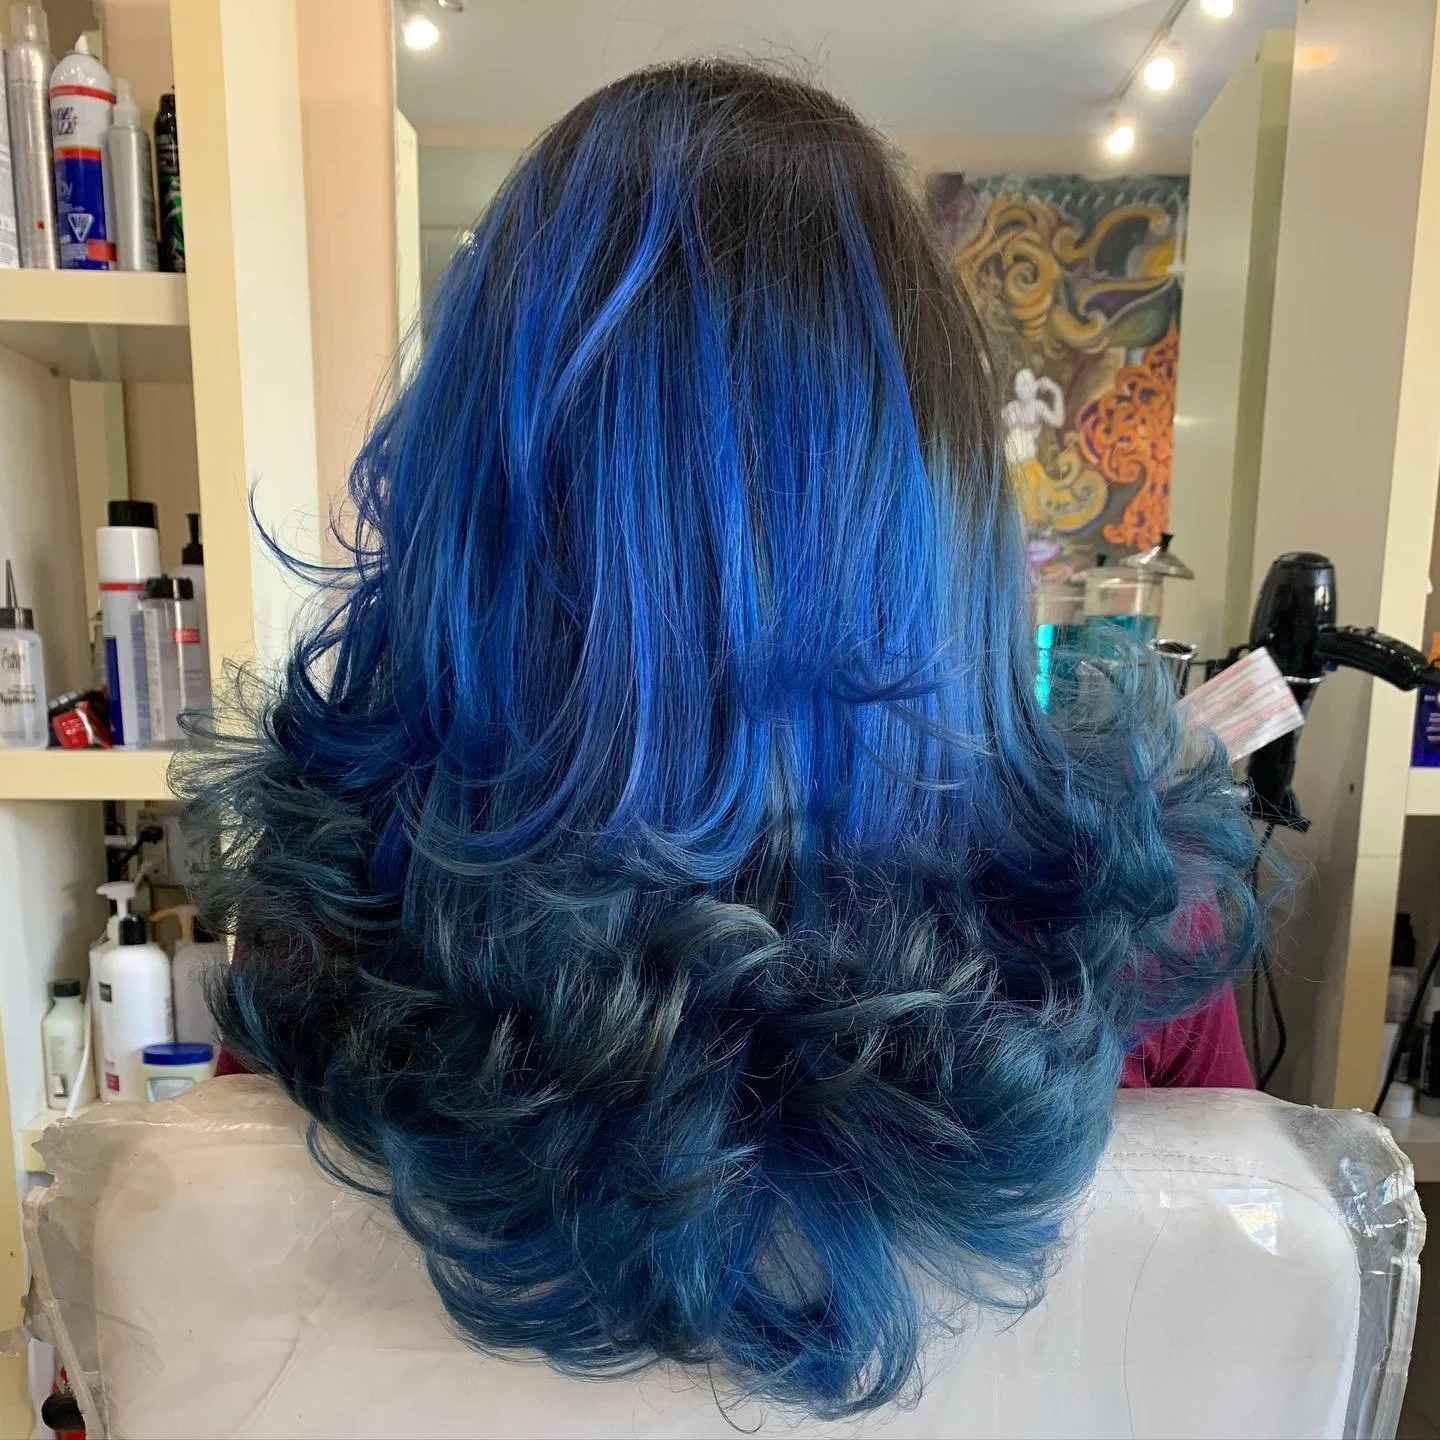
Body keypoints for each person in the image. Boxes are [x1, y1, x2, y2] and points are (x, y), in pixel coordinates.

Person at [179, 61, 1261, 1420]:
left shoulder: (333, 947)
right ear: (943, 522)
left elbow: (228, 1356)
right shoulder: (1129, 943)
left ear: (475, 525)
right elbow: (1230, 1366)